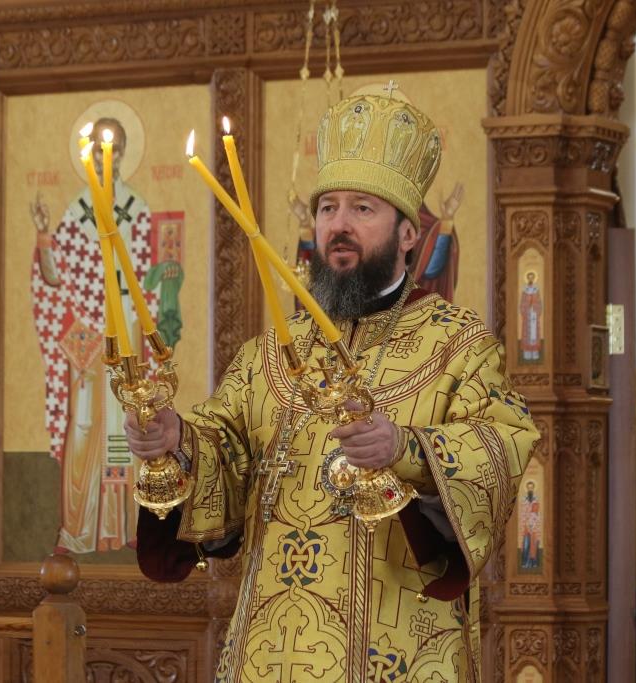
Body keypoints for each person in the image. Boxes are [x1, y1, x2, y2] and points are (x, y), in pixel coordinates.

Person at [127, 94, 539, 681]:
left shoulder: (460, 345)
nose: (338, 225)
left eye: (362, 208)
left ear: (408, 233)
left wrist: (406, 448)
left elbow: (503, 443)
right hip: (271, 655)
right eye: (327, 208)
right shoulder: (270, 351)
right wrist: (178, 442)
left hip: (398, 651)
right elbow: (225, 453)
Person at [30, 116, 183, 554]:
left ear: (122, 155)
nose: (104, 158)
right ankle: (80, 529)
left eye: (110, 149)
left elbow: (156, 276)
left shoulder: (137, 207)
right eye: (96, 150)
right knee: (83, 425)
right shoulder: (77, 211)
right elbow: (55, 278)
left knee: (130, 423)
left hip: (129, 331)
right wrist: (43, 233)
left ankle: (130, 525)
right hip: (88, 335)